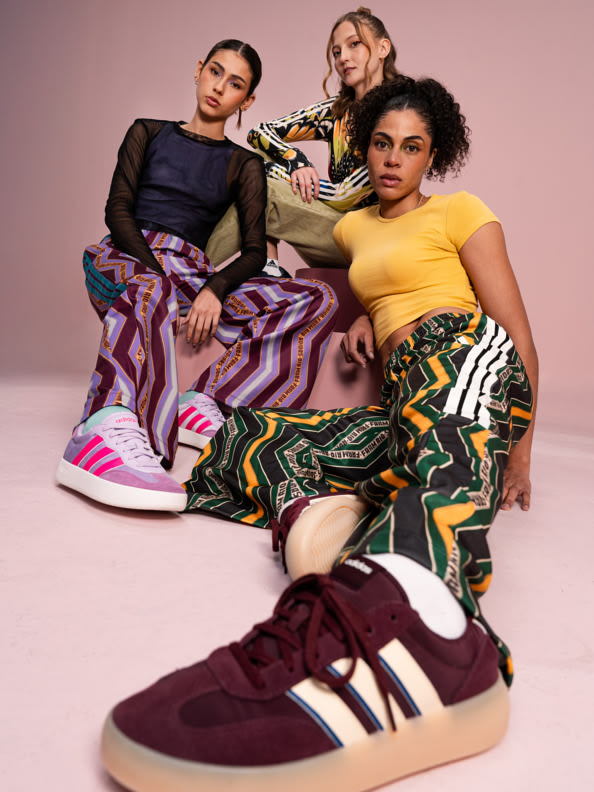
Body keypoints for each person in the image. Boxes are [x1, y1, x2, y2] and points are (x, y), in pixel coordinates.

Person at [100, 75, 538, 790]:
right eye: (382, 144)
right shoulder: (352, 226)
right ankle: (333, 516)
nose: (395, 160)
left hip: (466, 355)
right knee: (245, 440)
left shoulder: (462, 209)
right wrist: (368, 317)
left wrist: (518, 451)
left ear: (435, 156)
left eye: (413, 147)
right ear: (364, 150)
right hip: (405, 392)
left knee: (447, 443)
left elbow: (514, 332)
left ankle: (427, 619)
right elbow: (369, 285)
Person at [55, 39, 337, 512]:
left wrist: (213, 289)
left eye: (235, 84)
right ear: (198, 71)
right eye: (215, 72)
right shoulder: (147, 131)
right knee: (150, 286)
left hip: (192, 274)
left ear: (245, 101)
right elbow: (117, 212)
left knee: (313, 297)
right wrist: (156, 269)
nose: (219, 87)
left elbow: (251, 251)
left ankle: (208, 400)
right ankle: (101, 426)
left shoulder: (243, 163)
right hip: (125, 256)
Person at [204, 7, 397, 272]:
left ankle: (187, 268)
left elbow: (344, 196)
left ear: (383, 48)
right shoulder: (338, 110)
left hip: (368, 240)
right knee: (256, 159)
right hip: (330, 229)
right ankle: (268, 263)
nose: (343, 58)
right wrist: (297, 161)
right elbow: (260, 132)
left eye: (355, 45)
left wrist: (267, 173)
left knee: (260, 179)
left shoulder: (398, 113)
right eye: (337, 52)